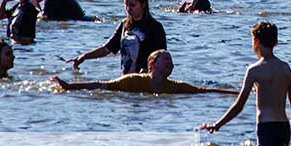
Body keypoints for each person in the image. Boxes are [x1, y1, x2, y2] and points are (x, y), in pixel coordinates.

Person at [199, 21, 291, 146]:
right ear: (276, 43)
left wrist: (218, 124)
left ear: (256, 41)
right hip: (284, 127)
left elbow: (239, 105)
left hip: (266, 127)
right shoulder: (285, 68)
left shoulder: (254, 70)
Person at [68, 0, 165, 75]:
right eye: (126, 5)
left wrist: (148, 71)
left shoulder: (155, 27)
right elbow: (107, 48)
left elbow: (162, 57)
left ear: (143, 4)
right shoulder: (125, 25)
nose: (128, 9)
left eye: (132, 5)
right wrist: (84, 56)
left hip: (146, 78)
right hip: (126, 77)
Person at [54, 50, 238, 95]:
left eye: (171, 61)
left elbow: (204, 92)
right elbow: (101, 85)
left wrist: (239, 93)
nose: (169, 63)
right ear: (151, 64)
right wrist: (70, 86)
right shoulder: (132, 80)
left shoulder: (176, 87)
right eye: (165, 59)